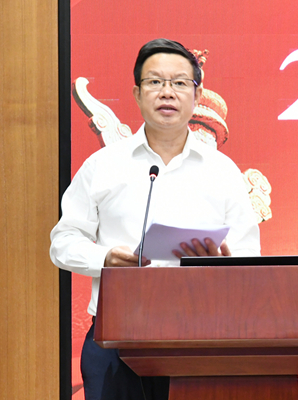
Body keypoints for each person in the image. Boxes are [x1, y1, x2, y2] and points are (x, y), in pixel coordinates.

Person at [50, 38, 261, 400]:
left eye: (179, 83)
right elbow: (63, 242)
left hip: (201, 336)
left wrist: (223, 265)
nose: (167, 92)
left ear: (196, 95)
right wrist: (105, 258)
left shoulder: (223, 171)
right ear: (137, 93)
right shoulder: (103, 166)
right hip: (116, 336)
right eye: (155, 82)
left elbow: (249, 258)